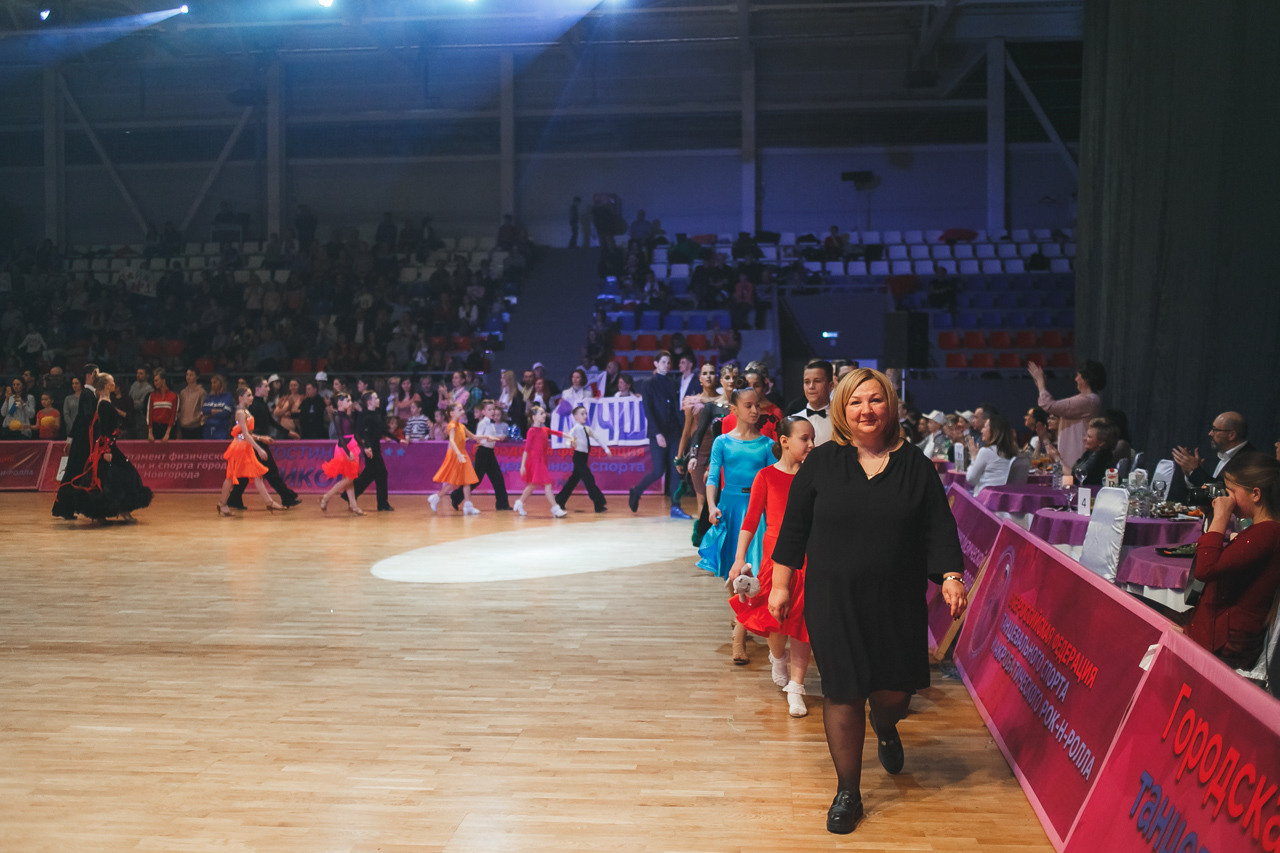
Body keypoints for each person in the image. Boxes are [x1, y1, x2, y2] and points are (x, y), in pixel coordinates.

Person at [770, 368, 967, 835]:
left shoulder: (915, 465)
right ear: (843, 408)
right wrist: (781, 585)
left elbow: (939, 528)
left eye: (875, 400)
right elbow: (793, 528)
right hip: (833, 598)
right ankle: (848, 792)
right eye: (856, 402)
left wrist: (951, 575)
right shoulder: (822, 462)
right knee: (842, 689)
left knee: (893, 691)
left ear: (890, 406)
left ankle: (886, 723)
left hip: (897, 599)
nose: (866, 410)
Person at [727, 416, 817, 717]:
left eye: (813, 438)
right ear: (784, 441)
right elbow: (751, 519)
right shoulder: (766, 476)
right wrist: (739, 558)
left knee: (802, 622)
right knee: (776, 619)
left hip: (808, 558)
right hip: (775, 559)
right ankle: (778, 657)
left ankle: (796, 686)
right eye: (804, 438)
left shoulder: (815, 476)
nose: (811, 444)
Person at [697, 387, 776, 663]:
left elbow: (773, 480)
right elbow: (712, 477)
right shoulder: (722, 442)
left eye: (757, 406)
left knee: (751, 570)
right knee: (733, 571)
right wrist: (711, 506)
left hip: (756, 511)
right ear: (734, 409)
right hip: (730, 508)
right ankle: (740, 616)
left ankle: (739, 638)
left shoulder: (766, 445)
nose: (755, 410)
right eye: (748, 405)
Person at [1184, 452, 1280, 673]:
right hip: (1217, 629)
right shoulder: (1262, 530)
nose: (1227, 497)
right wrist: (1212, 515)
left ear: (1255, 494)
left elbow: (1205, 570)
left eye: (1231, 491)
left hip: (1226, 643)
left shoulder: (1268, 532)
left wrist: (1221, 518)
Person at [52, 373, 153, 522]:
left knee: (111, 478)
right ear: (106, 385)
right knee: (123, 475)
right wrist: (106, 450)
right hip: (107, 447)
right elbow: (104, 429)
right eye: (111, 382)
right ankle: (119, 512)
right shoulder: (104, 404)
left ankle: (108, 513)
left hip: (108, 446)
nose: (114, 384)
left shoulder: (104, 402)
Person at [226, 377, 301, 510]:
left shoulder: (260, 404)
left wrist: (287, 432)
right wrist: (260, 440)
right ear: (258, 389)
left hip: (257, 442)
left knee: (248, 474)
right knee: (269, 471)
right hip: (255, 443)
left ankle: (234, 498)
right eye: (265, 386)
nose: (268, 389)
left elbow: (270, 421)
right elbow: (245, 430)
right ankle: (285, 496)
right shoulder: (253, 406)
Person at [629, 352, 689, 518]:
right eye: (663, 362)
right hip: (658, 432)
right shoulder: (649, 383)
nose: (666, 365)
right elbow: (648, 410)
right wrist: (657, 433)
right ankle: (636, 491)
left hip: (674, 431)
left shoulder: (673, 382)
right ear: (655, 364)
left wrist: (684, 429)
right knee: (658, 471)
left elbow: (676, 407)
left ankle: (675, 506)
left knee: (676, 469)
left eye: (668, 362)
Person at [215, 386, 284, 516]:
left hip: (245, 448)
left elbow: (247, 434)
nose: (251, 397)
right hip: (239, 449)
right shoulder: (240, 413)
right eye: (249, 395)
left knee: (257, 475)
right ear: (241, 398)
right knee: (230, 477)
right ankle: (222, 504)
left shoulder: (246, 411)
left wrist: (261, 438)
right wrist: (259, 449)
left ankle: (269, 502)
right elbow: (245, 435)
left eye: (251, 395)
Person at [1027, 360, 1104, 469]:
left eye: (1078, 376)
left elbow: (1049, 405)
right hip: (1070, 453)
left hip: (1076, 454)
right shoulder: (1087, 399)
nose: (1076, 379)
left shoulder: (1089, 400)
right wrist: (1041, 386)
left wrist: (1041, 383)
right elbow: (1052, 406)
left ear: (1085, 379)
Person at [1169, 411, 1256, 504]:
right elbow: (1208, 496)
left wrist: (1195, 471)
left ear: (1231, 435)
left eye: (1215, 429)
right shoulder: (1224, 455)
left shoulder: (1250, 459)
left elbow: (1224, 496)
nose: (1210, 433)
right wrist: (1190, 474)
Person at [450, 399, 510, 512]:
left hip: (490, 453)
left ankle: (502, 504)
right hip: (483, 453)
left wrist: (497, 438)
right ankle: (456, 496)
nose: (492, 411)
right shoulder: (482, 424)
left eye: (493, 409)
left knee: (498, 478)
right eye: (489, 409)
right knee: (476, 480)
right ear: (483, 412)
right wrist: (491, 439)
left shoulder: (492, 424)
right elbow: (478, 438)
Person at [555, 404, 613, 513]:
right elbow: (567, 440)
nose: (585, 416)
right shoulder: (575, 429)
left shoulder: (587, 429)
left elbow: (597, 438)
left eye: (586, 414)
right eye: (582, 414)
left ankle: (560, 500)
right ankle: (599, 503)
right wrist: (570, 444)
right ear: (575, 417)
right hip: (578, 457)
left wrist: (606, 449)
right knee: (588, 479)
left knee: (573, 481)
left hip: (584, 457)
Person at [353, 389, 404, 512]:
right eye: (375, 398)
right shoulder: (365, 416)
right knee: (381, 474)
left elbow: (383, 430)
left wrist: (397, 440)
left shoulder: (376, 414)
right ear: (369, 402)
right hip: (370, 450)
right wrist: (367, 447)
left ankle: (350, 494)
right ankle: (382, 504)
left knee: (370, 474)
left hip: (375, 447)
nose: (378, 400)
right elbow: (363, 434)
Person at [514, 404, 568, 518]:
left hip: (542, 460)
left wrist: (569, 436)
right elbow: (526, 449)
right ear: (534, 417)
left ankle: (519, 503)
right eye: (541, 413)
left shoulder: (545, 429)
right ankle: (556, 508)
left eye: (544, 413)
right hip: (535, 461)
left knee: (532, 485)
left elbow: (556, 433)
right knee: (547, 484)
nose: (544, 415)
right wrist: (522, 465)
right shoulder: (531, 431)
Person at [429, 402, 480, 515]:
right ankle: (436, 498)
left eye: (462, 409)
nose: (463, 411)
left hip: (463, 454)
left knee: (467, 481)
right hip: (456, 455)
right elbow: (451, 441)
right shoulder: (451, 425)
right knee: (454, 483)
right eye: (459, 410)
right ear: (451, 413)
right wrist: (458, 454)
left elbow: (474, 437)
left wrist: (488, 437)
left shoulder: (462, 426)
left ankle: (468, 505)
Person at [318, 394, 364, 515]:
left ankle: (353, 505)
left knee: (349, 478)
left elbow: (354, 433)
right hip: (344, 449)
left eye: (350, 400)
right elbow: (341, 437)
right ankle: (327, 496)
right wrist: (348, 452)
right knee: (350, 477)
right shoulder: (338, 417)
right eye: (347, 400)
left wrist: (364, 447)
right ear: (339, 402)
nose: (350, 402)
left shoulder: (347, 415)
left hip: (351, 446)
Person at [60, 364, 100, 484]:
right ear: (89, 376)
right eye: (96, 374)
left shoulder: (88, 393)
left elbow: (79, 416)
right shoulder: (88, 393)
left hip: (83, 436)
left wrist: (70, 437)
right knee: (79, 465)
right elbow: (87, 415)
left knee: (77, 465)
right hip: (85, 437)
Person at [964, 413, 1019, 495]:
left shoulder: (986, 451)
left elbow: (971, 479)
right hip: (1004, 497)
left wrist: (973, 457)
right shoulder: (1014, 451)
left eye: (984, 427)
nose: (982, 431)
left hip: (985, 498)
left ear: (994, 431)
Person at [788, 358, 834, 446]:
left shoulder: (840, 420)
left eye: (817, 381)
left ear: (830, 385)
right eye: (807, 382)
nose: (811, 386)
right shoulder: (793, 420)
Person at [1071, 418, 1119, 487]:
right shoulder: (1089, 453)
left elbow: (1075, 477)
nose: (1084, 438)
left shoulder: (1100, 458)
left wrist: (1058, 458)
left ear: (1101, 442)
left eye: (1089, 437)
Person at [145, 371, 177, 442]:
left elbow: (173, 416)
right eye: (154, 381)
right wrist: (150, 433)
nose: (155, 383)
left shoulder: (173, 396)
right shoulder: (152, 396)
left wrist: (167, 434)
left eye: (156, 381)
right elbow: (149, 414)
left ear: (163, 380)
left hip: (168, 428)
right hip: (155, 428)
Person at [176, 368, 207, 440]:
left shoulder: (201, 392)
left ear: (197, 377)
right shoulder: (183, 392)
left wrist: (200, 419)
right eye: (187, 375)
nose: (188, 377)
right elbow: (180, 408)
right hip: (184, 426)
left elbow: (204, 409)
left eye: (191, 375)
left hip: (196, 426)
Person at [202, 375, 235, 440]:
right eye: (211, 383)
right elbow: (204, 410)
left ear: (221, 383)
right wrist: (216, 411)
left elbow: (225, 413)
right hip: (208, 429)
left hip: (222, 429)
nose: (212, 385)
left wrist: (210, 412)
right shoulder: (209, 397)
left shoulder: (227, 396)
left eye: (215, 382)